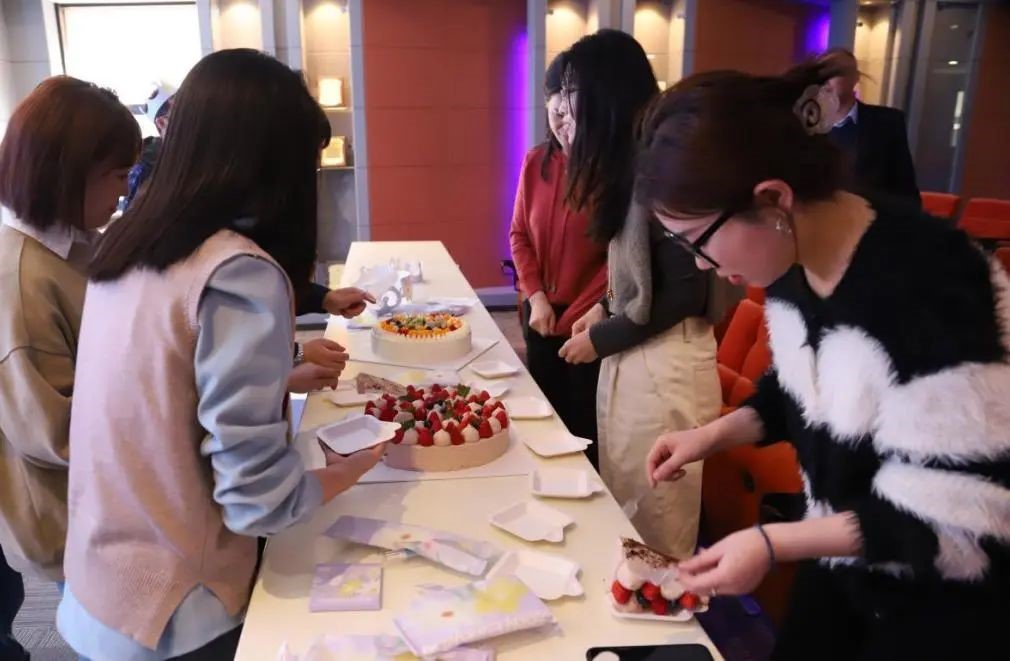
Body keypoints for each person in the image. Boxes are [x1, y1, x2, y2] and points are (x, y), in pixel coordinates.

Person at [640, 62, 1010, 660]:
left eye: (698, 242)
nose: (701, 264)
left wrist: (772, 543)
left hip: (940, 596)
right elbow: (798, 395)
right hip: (844, 556)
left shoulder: (934, 286)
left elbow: (959, 509)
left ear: (773, 198)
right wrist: (708, 437)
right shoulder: (791, 262)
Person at [56, 49, 383, 660]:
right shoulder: (238, 272)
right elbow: (257, 500)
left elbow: (160, 391)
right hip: (182, 608)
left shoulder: (129, 242)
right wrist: (348, 472)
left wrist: (280, 377)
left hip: (100, 586)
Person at [555, 29, 727, 559]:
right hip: (639, 358)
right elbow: (639, 273)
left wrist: (602, 337)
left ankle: (662, 609)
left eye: (573, 92)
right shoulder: (632, 158)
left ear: (605, 94)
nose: (563, 107)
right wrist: (603, 309)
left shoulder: (665, 159)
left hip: (665, 364)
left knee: (658, 522)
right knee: (626, 504)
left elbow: (684, 289)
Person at [0, 76, 141, 661]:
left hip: (108, 503)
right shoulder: (22, 279)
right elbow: (55, 433)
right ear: (66, 172)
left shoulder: (77, 246)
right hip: (75, 520)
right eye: (116, 175)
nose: (124, 190)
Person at [124, 83, 374, 332]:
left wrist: (324, 299)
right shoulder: (209, 226)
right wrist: (297, 351)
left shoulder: (230, 213)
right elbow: (222, 331)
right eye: (306, 160)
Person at [509, 54, 607, 457]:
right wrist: (536, 297)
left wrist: (573, 317)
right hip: (539, 316)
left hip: (587, 322)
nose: (567, 126)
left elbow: (616, 261)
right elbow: (519, 235)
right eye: (559, 114)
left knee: (583, 430)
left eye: (578, 116)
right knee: (543, 420)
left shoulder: (610, 171)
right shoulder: (536, 162)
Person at [819, 48, 920, 208]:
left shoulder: (887, 122)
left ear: (855, 78)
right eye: (821, 74)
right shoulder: (805, 125)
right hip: (820, 219)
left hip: (872, 218)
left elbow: (905, 187)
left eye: (835, 72)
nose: (826, 80)